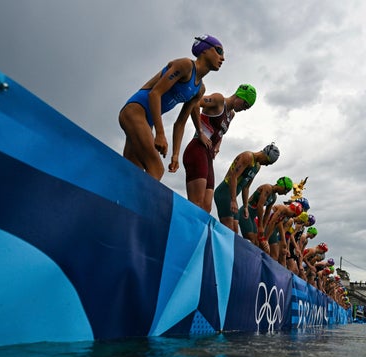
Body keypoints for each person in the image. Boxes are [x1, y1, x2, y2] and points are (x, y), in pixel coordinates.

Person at [118, 35, 224, 181]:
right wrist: (160, 134)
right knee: (156, 168)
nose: (222, 57)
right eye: (219, 51)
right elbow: (155, 94)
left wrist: (175, 155)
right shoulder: (186, 66)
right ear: (204, 50)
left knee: (131, 173)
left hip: (146, 121)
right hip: (135, 111)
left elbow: (180, 123)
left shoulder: (199, 90)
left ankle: (114, 201)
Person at [183, 84, 257, 211]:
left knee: (206, 208)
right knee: (196, 204)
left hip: (208, 156)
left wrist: (218, 145)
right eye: (245, 105)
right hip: (197, 149)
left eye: (248, 108)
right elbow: (194, 102)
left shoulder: (231, 114)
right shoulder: (218, 100)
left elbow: (220, 131)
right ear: (239, 96)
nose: (244, 109)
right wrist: (200, 131)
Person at [214, 143, 280, 232]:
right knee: (228, 230)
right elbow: (233, 177)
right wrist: (233, 200)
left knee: (235, 231)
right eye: (268, 162)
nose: (267, 165)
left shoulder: (257, 166)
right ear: (265, 154)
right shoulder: (248, 156)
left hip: (232, 197)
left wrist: (245, 207)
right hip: (224, 193)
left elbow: (246, 187)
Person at [238, 176, 293, 245]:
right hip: (245, 212)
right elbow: (260, 206)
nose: (285, 193)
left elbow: (267, 214)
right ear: (281, 185)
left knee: (257, 242)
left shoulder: (274, 197)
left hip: (252, 217)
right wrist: (260, 226)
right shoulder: (268, 188)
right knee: (251, 237)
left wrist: (263, 228)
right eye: (286, 190)